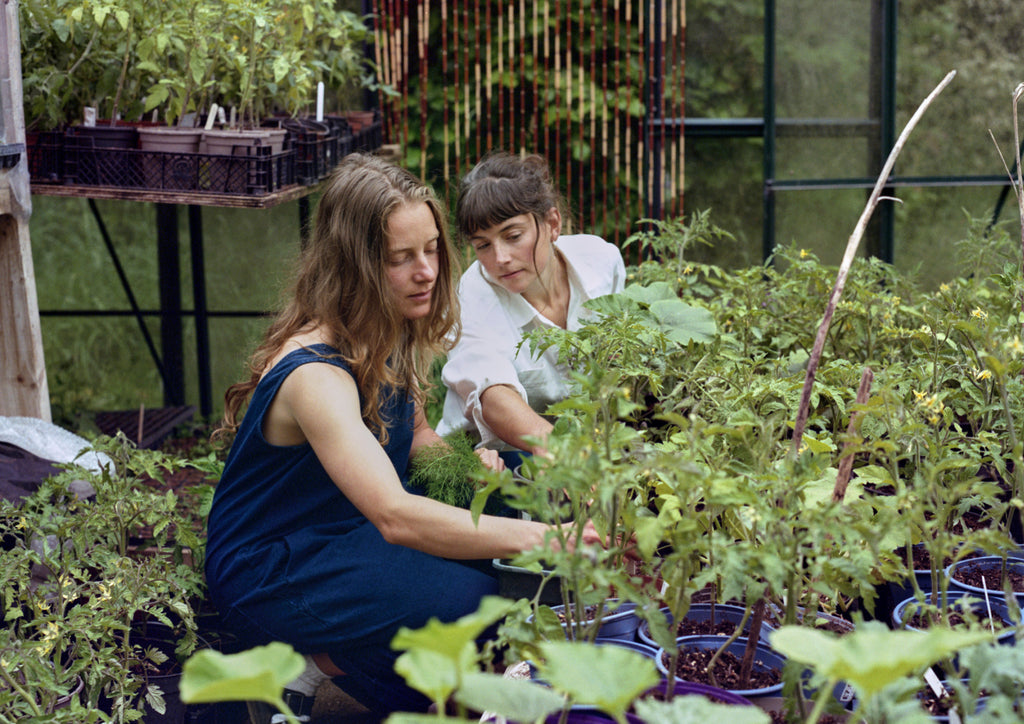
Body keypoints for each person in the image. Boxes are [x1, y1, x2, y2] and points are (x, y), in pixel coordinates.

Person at [203, 154, 601, 718]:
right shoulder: (315, 373)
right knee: (477, 598)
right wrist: (546, 536)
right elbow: (396, 513)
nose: (428, 272)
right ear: (356, 265)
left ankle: (387, 670)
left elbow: (413, 432)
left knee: (517, 489)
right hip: (277, 567)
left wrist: (469, 473)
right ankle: (304, 663)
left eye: (432, 249)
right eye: (400, 258)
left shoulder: (383, 325)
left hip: (348, 530)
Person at [436, 151, 627, 463]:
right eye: (483, 245)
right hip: (500, 459)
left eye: (513, 236)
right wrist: (569, 458)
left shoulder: (600, 261)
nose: (500, 258)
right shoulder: (469, 300)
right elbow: (494, 397)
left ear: (552, 223)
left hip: (591, 441)